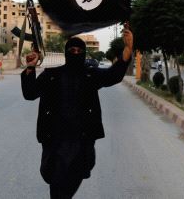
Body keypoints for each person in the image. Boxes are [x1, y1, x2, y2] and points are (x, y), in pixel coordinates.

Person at [21, 25, 133, 198]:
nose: (75, 52)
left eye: (79, 50)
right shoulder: (51, 75)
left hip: (82, 142)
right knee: (57, 187)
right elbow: (30, 94)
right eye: (72, 49)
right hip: (55, 141)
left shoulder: (90, 74)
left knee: (72, 181)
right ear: (66, 52)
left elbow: (113, 75)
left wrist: (127, 49)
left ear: (84, 52)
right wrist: (30, 68)